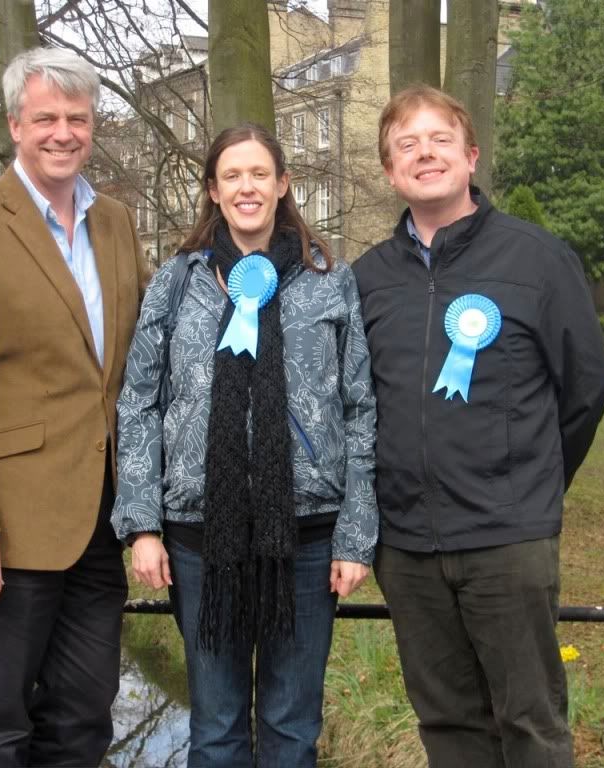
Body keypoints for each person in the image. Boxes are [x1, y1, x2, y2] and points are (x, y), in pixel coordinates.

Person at [351, 85, 604, 767]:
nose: (424, 153)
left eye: (439, 139)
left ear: (470, 157)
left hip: (507, 539)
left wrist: (529, 486)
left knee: (530, 722)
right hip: (407, 546)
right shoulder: (367, 280)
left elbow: (586, 388)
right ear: (389, 172)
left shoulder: (537, 260)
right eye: (406, 144)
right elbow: (352, 403)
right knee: (447, 724)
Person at [0, 47, 149, 767]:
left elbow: (137, 357)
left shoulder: (116, 223)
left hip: (98, 525)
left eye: (78, 118)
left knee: (81, 725)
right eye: (46, 118)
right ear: (15, 124)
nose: (64, 132)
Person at [112, 122, 377, 767]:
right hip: (202, 537)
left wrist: (354, 534)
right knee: (217, 728)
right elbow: (138, 403)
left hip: (308, 539)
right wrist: (144, 525)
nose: (247, 187)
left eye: (259, 173)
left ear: (283, 184)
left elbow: (360, 407)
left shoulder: (329, 279)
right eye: (232, 175)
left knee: (291, 728)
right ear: (212, 190)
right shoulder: (179, 282)